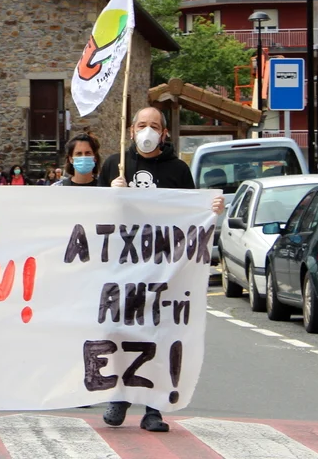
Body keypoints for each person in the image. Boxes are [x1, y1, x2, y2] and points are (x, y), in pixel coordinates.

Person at [97, 108, 224, 433]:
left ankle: (154, 408)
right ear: (131, 130)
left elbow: (192, 214)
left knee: (161, 334)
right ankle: (120, 396)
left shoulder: (177, 170)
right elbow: (93, 213)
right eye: (142, 125)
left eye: (154, 126)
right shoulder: (115, 165)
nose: (148, 131)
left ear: (164, 133)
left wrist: (211, 209)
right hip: (123, 267)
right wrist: (110, 193)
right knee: (119, 330)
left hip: (165, 267)